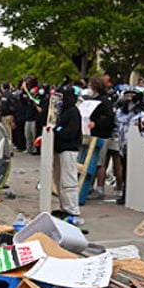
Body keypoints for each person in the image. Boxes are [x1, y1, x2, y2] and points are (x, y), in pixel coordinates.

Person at [52, 85, 84, 226]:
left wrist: (57, 130)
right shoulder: (62, 112)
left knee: (68, 181)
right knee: (59, 181)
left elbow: (69, 133)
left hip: (68, 150)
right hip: (59, 150)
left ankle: (73, 210)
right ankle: (64, 207)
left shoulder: (73, 112)